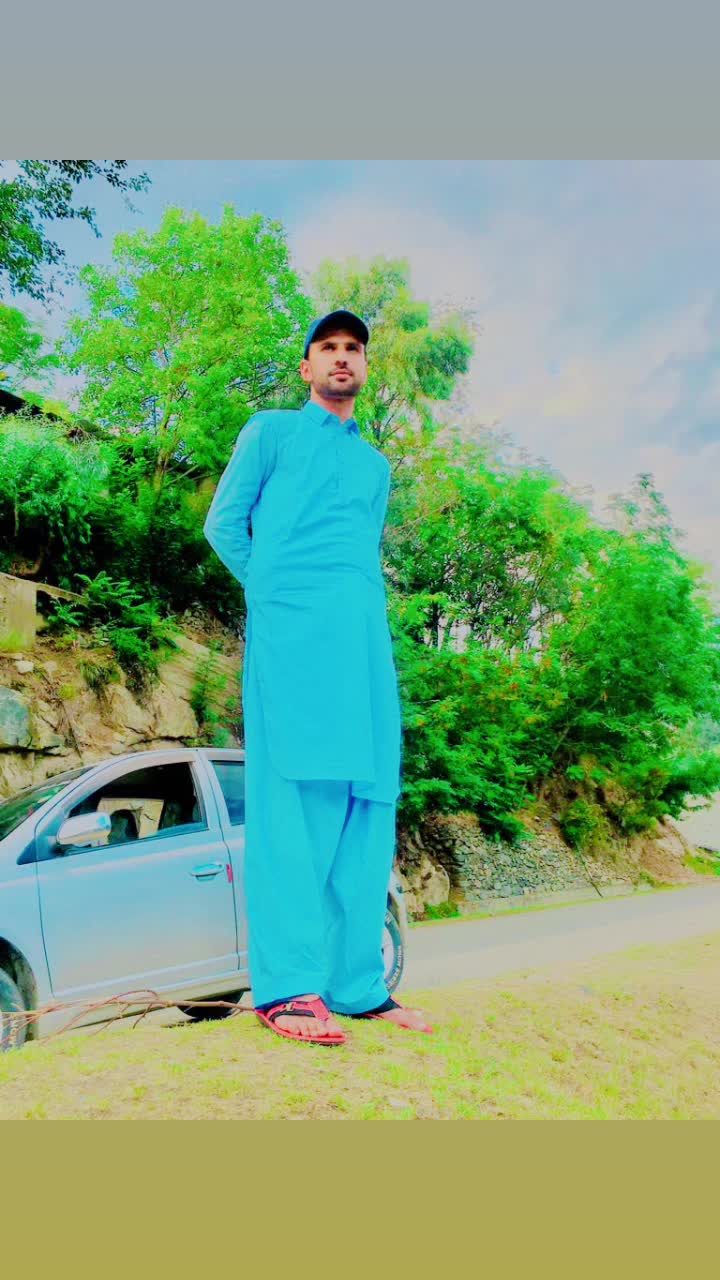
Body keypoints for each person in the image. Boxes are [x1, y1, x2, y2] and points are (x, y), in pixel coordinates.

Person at [203, 310, 432, 1044]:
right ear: (306, 367)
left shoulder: (375, 467)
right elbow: (223, 525)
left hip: (363, 643)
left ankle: (357, 986)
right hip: (292, 640)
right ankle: (288, 989)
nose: (342, 357)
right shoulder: (270, 433)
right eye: (328, 348)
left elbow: (360, 550)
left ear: (364, 366)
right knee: (293, 803)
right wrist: (278, 596)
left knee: (369, 799)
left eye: (353, 349)